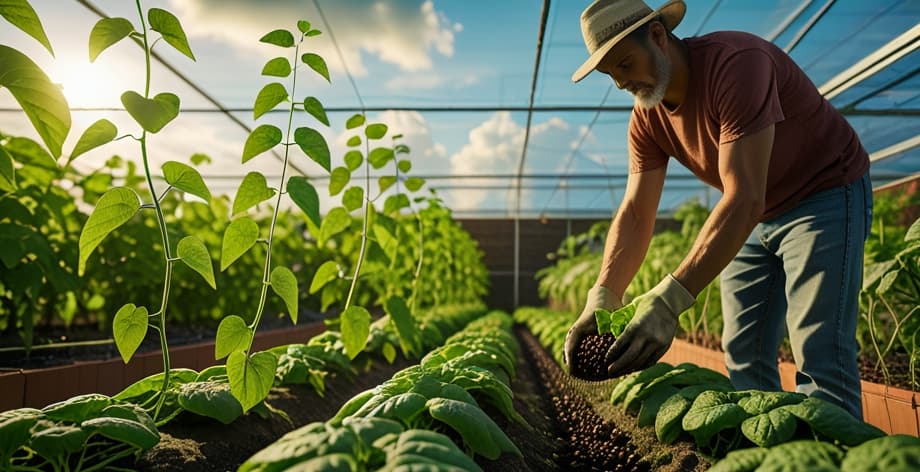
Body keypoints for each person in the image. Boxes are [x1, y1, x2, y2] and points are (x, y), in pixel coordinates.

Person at [562, 0, 872, 420]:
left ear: (657, 36)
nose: (620, 82)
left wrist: (669, 301)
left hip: (822, 195)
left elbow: (744, 196)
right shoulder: (647, 119)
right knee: (743, 352)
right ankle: (771, 459)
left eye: (624, 63)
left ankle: (835, 456)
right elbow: (636, 211)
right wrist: (602, 294)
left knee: (819, 352)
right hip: (754, 216)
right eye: (610, 73)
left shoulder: (738, 64)